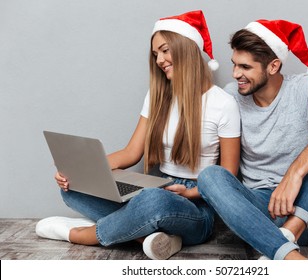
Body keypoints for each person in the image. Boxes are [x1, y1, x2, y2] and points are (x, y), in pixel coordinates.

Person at [35, 10, 241, 260]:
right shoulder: (157, 98)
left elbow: (228, 177)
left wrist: (190, 193)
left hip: (198, 205)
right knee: (73, 189)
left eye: (165, 50)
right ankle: (148, 235)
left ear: (187, 48)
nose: (159, 60)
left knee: (153, 202)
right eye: (155, 54)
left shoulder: (223, 103)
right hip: (158, 185)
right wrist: (81, 172)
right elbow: (131, 153)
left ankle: (83, 234)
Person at [197, 19, 308, 260]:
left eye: (245, 67)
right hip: (261, 212)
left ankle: (291, 231)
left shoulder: (303, 87)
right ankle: (288, 255)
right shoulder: (231, 96)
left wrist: (294, 175)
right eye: (234, 65)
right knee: (210, 176)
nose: (235, 74)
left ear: (273, 66)